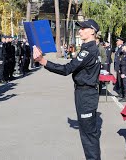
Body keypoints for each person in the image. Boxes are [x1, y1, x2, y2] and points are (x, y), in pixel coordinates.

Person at [33, 19, 102, 160]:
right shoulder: (89, 48)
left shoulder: (89, 51)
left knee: (88, 134)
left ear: (92, 31)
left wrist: (43, 61)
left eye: (83, 28)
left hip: (86, 94)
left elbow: (66, 69)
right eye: (80, 28)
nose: (80, 30)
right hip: (85, 92)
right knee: (88, 132)